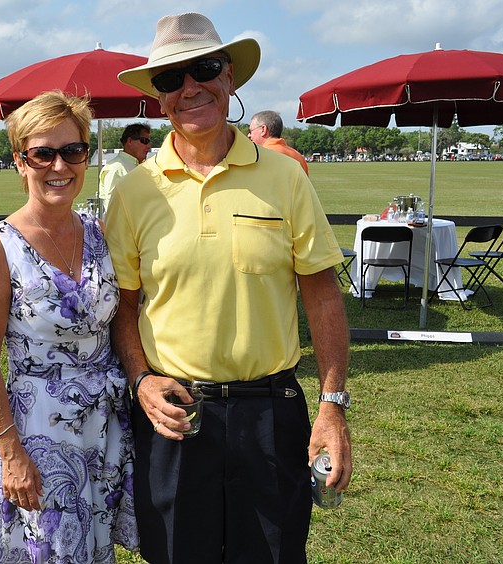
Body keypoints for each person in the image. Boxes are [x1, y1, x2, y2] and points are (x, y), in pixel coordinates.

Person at [107, 13, 352, 563]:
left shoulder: (285, 177)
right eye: (172, 78)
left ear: (230, 76)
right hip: (174, 414)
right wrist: (141, 379)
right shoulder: (135, 191)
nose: (190, 87)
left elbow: (322, 295)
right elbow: (123, 306)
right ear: (159, 99)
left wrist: (332, 405)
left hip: (270, 413)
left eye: (205, 69)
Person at [0, 91, 137, 562]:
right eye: (42, 153)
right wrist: (11, 453)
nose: (59, 166)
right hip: (41, 434)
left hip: (106, 428)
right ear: (20, 162)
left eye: (72, 150)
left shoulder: (99, 232)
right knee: (52, 547)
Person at [98, 123, 152, 212]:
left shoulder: (140, 166)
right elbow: (113, 208)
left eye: (149, 142)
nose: (149, 146)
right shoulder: (115, 168)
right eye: (144, 141)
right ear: (130, 141)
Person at [248, 110, 310, 174]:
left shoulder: (260, 156)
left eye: (250, 131)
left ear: (263, 130)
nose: (249, 135)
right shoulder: (299, 157)